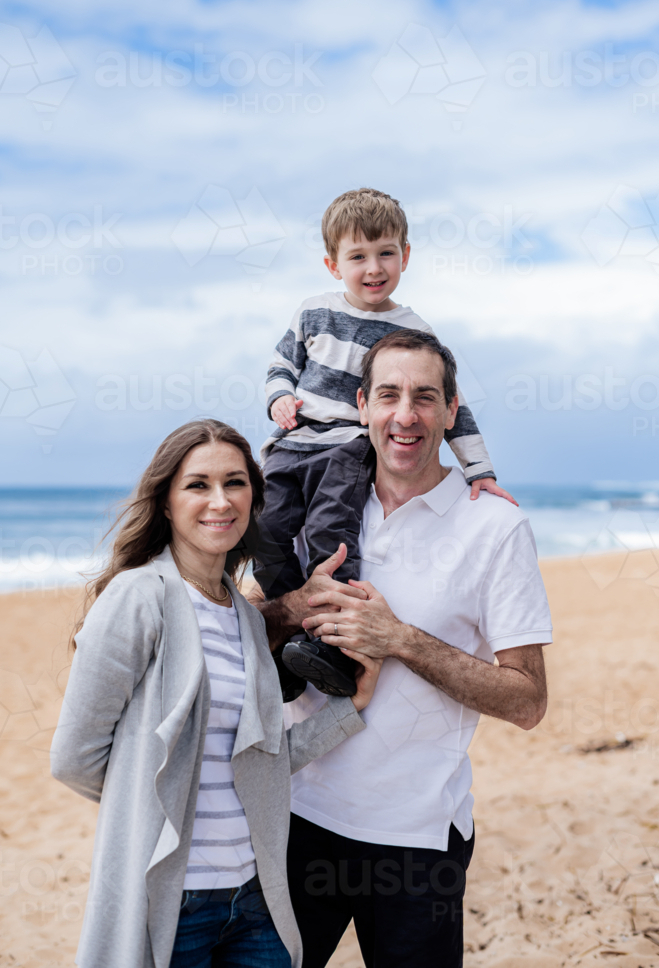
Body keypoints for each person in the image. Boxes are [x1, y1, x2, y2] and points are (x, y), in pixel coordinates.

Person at [256, 331, 553, 967]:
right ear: (362, 404)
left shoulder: (496, 528)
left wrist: (400, 640)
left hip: (417, 841)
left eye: (425, 397)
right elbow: (247, 629)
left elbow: (528, 700)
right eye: (388, 394)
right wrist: (291, 608)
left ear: (451, 411)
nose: (405, 414)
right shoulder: (319, 498)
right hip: (296, 818)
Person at [50, 419, 381, 968]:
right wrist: (150, 810)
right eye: (198, 485)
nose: (220, 501)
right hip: (173, 905)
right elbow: (74, 758)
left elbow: (263, 760)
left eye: (235, 483)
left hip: (256, 902)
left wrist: (351, 709)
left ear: (255, 496)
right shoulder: (140, 597)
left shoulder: (245, 618)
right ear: (165, 502)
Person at [253, 187, 516, 695]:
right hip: (292, 444)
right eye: (358, 257)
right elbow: (280, 365)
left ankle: (328, 647)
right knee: (264, 535)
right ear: (333, 265)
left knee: (333, 541)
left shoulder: (413, 330)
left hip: (347, 452)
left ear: (406, 256)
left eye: (386, 254)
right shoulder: (312, 313)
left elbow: (449, 404)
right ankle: (290, 642)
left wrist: (479, 470)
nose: (373, 268)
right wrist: (278, 398)